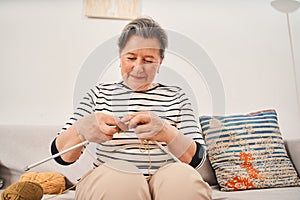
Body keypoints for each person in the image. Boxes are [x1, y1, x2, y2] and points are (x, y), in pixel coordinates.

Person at [51, 17, 212, 200]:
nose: (138, 67)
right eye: (131, 58)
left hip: (165, 178)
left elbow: (197, 159)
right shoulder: (98, 94)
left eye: (148, 60)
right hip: (111, 176)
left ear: (160, 61)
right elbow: (61, 156)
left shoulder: (177, 96)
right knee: (122, 180)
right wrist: (82, 129)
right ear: (120, 57)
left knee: (182, 182)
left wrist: (167, 132)